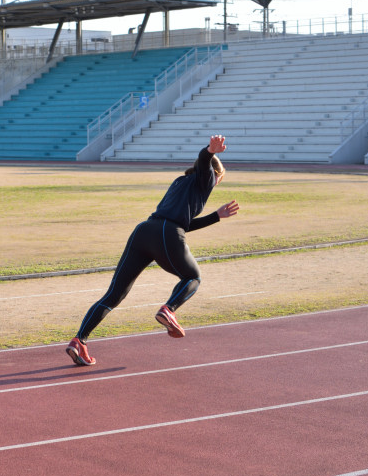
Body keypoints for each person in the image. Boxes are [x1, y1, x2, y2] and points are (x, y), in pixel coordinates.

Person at [66, 135, 239, 366]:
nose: (217, 183)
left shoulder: (180, 182)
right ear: (216, 175)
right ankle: (169, 310)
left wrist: (216, 216)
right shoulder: (206, 178)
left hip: (144, 231)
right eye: (220, 179)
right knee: (193, 277)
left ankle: (80, 340)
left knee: (114, 295)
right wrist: (210, 151)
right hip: (167, 233)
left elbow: (184, 223)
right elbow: (203, 163)